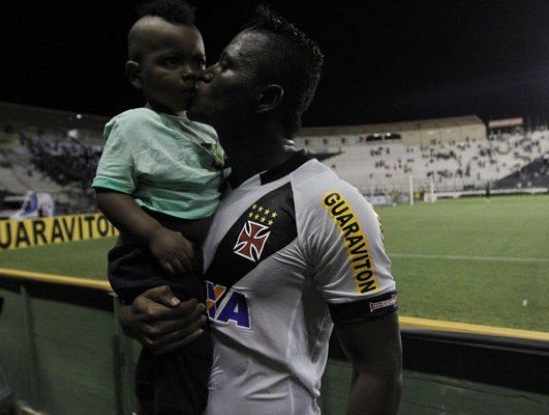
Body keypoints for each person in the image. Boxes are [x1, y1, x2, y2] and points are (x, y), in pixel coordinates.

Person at [118, 6, 402, 415]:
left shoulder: (330, 204)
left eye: (226, 66)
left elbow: (380, 370)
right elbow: (137, 279)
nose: (204, 72)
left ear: (266, 98)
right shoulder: (192, 184)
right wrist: (132, 315)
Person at [91, 0, 224, 414]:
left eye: (198, 61)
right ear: (137, 74)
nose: (190, 73)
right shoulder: (132, 124)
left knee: (173, 354)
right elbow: (109, 191)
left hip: (187, 256)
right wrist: (155, 234)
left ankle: (148, 394)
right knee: (188, 347)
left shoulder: (206, 128)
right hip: (153, 254)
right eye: (171, 61)